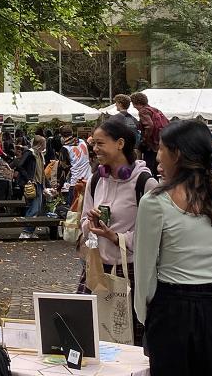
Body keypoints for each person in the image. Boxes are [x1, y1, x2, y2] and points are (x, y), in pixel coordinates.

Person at [134, 120, 212, 376]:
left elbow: (145, 269)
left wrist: (146, 315)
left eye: (161, 148)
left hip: (171, 308)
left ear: (178, 154)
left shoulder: (155, 202)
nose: (158, 155)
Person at [78, 120, 158, 345]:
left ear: (120, 143)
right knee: (92, 332)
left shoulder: (145, 184)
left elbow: (150, 236)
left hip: (131, 270)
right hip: (96, 267)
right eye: (94, 144)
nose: (95, 149)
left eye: (100, 143)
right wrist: (91, 225)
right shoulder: (95, 180)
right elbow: (84, 221)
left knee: (127, 335)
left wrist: (114, 237)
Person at [130, 92, 169, 177]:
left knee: (149, 167)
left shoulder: (143, 111)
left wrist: (145, 139)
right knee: (157, 167)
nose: (134, 107)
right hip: (159, 142)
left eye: (133, 104)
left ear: (137, 103)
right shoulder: (154, 109)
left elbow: (149, 125)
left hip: (151, 145)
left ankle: (149, 184)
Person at [18, 136, 45, 239]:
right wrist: (28, 178)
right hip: (33, 183)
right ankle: (26, 231)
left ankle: (30, 230)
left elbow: (41, 171)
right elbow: (20, 165)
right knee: (34, 208)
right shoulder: (30, 153)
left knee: (36, 208)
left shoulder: (39, 154)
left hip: (39, 183)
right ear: (39, 144)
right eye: (43, 144)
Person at [60, 126, 91, 206]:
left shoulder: (65, 148)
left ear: (62, 136)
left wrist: (60, 185)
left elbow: (64, 167)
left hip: (75, 180)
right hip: (88, 178)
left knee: (73, 207)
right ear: (72, 133)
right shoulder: (82, 142)